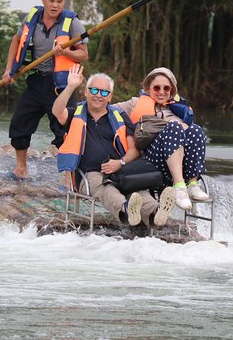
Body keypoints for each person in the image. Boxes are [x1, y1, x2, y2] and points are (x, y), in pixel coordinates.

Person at [53, 64, 176, 227]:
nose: (98, 95)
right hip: (88, 174)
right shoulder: (75, 111)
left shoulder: (120, 116)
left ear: (110, 97)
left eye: (104, 92)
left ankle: (156, 212)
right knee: (106, 188)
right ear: (86, 92)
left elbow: (133, 150)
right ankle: (126, 210)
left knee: (137, 191)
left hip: (120, 169)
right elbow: (56, 111)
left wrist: (120, 162)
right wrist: (70, 87)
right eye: (94, 90)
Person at [2, 0, 88, 180]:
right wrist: (9, 70)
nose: (55, 5)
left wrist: (65, 51)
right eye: (51, 1)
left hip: (61, 87)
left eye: (60, 1)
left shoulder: (72, 22)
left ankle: (71, 177)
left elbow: (83, 55)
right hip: (35, 81)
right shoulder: (32, 18)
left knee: (64, 130)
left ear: (64, 2)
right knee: (19, 123)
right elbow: (16, 41)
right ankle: (21, 168)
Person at [112, 67, 208, 211]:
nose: (161, 92)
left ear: (172, 90)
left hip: (177, 162)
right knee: (174, 127)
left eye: (166, 88)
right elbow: (106, 109)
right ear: (148, 88)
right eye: (157, 88)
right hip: (149, 161)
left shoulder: (176, 110)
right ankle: (179, 186)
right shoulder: (134, 103)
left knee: (196, 130)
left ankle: (192, 184)